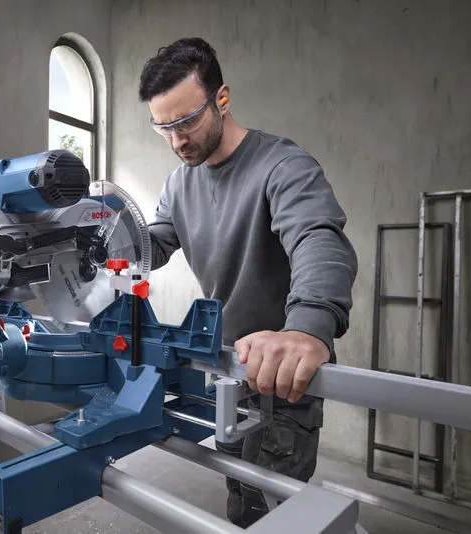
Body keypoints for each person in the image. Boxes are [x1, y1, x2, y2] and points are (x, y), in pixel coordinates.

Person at [138, 37, 358, 527]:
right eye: (163, 128)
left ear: (222, 99)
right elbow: (153, 244)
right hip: (230, 370)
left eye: (186, 121)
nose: (177, 141)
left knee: (273, 512)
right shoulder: (180, 183)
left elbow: (318, 241)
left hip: (283, 377)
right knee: (238, 495)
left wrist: (306, 327)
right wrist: (99, 236)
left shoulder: (282, 166)